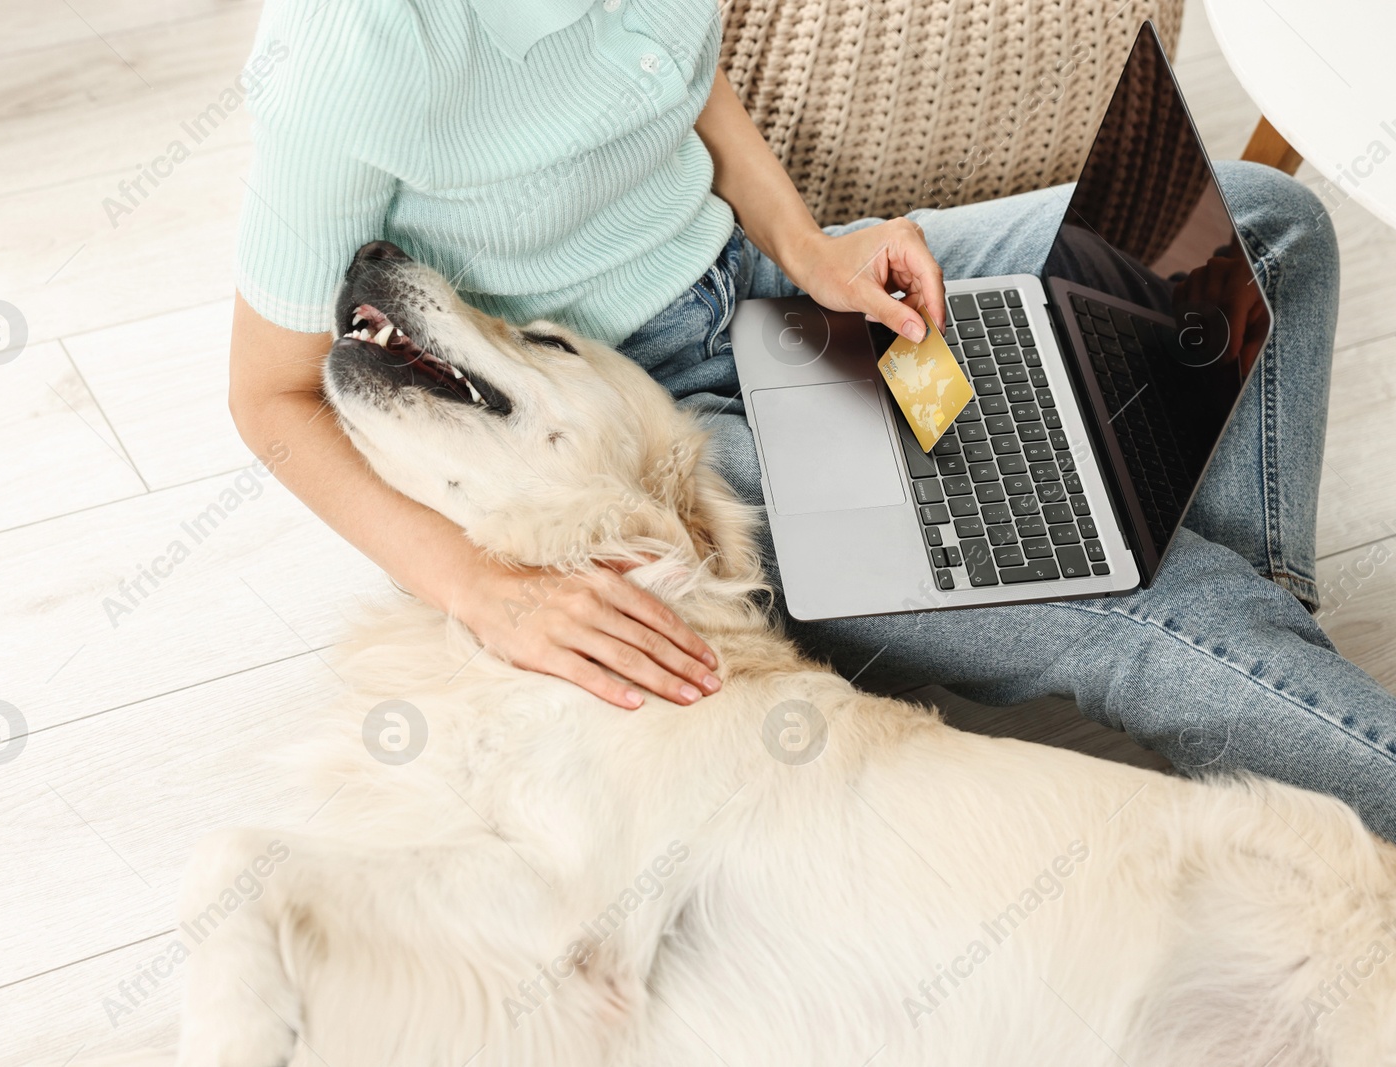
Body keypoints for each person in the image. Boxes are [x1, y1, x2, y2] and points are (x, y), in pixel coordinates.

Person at [225, 0, 1396, 837]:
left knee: (1255, 224)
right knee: (1147, 589)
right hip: (650, 439)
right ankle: (1232, 673)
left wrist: (807, 250)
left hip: (769, 302)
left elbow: (683, 75)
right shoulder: (352, 42)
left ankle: (1251, 694)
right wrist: (485, 593)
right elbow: (265, 391)